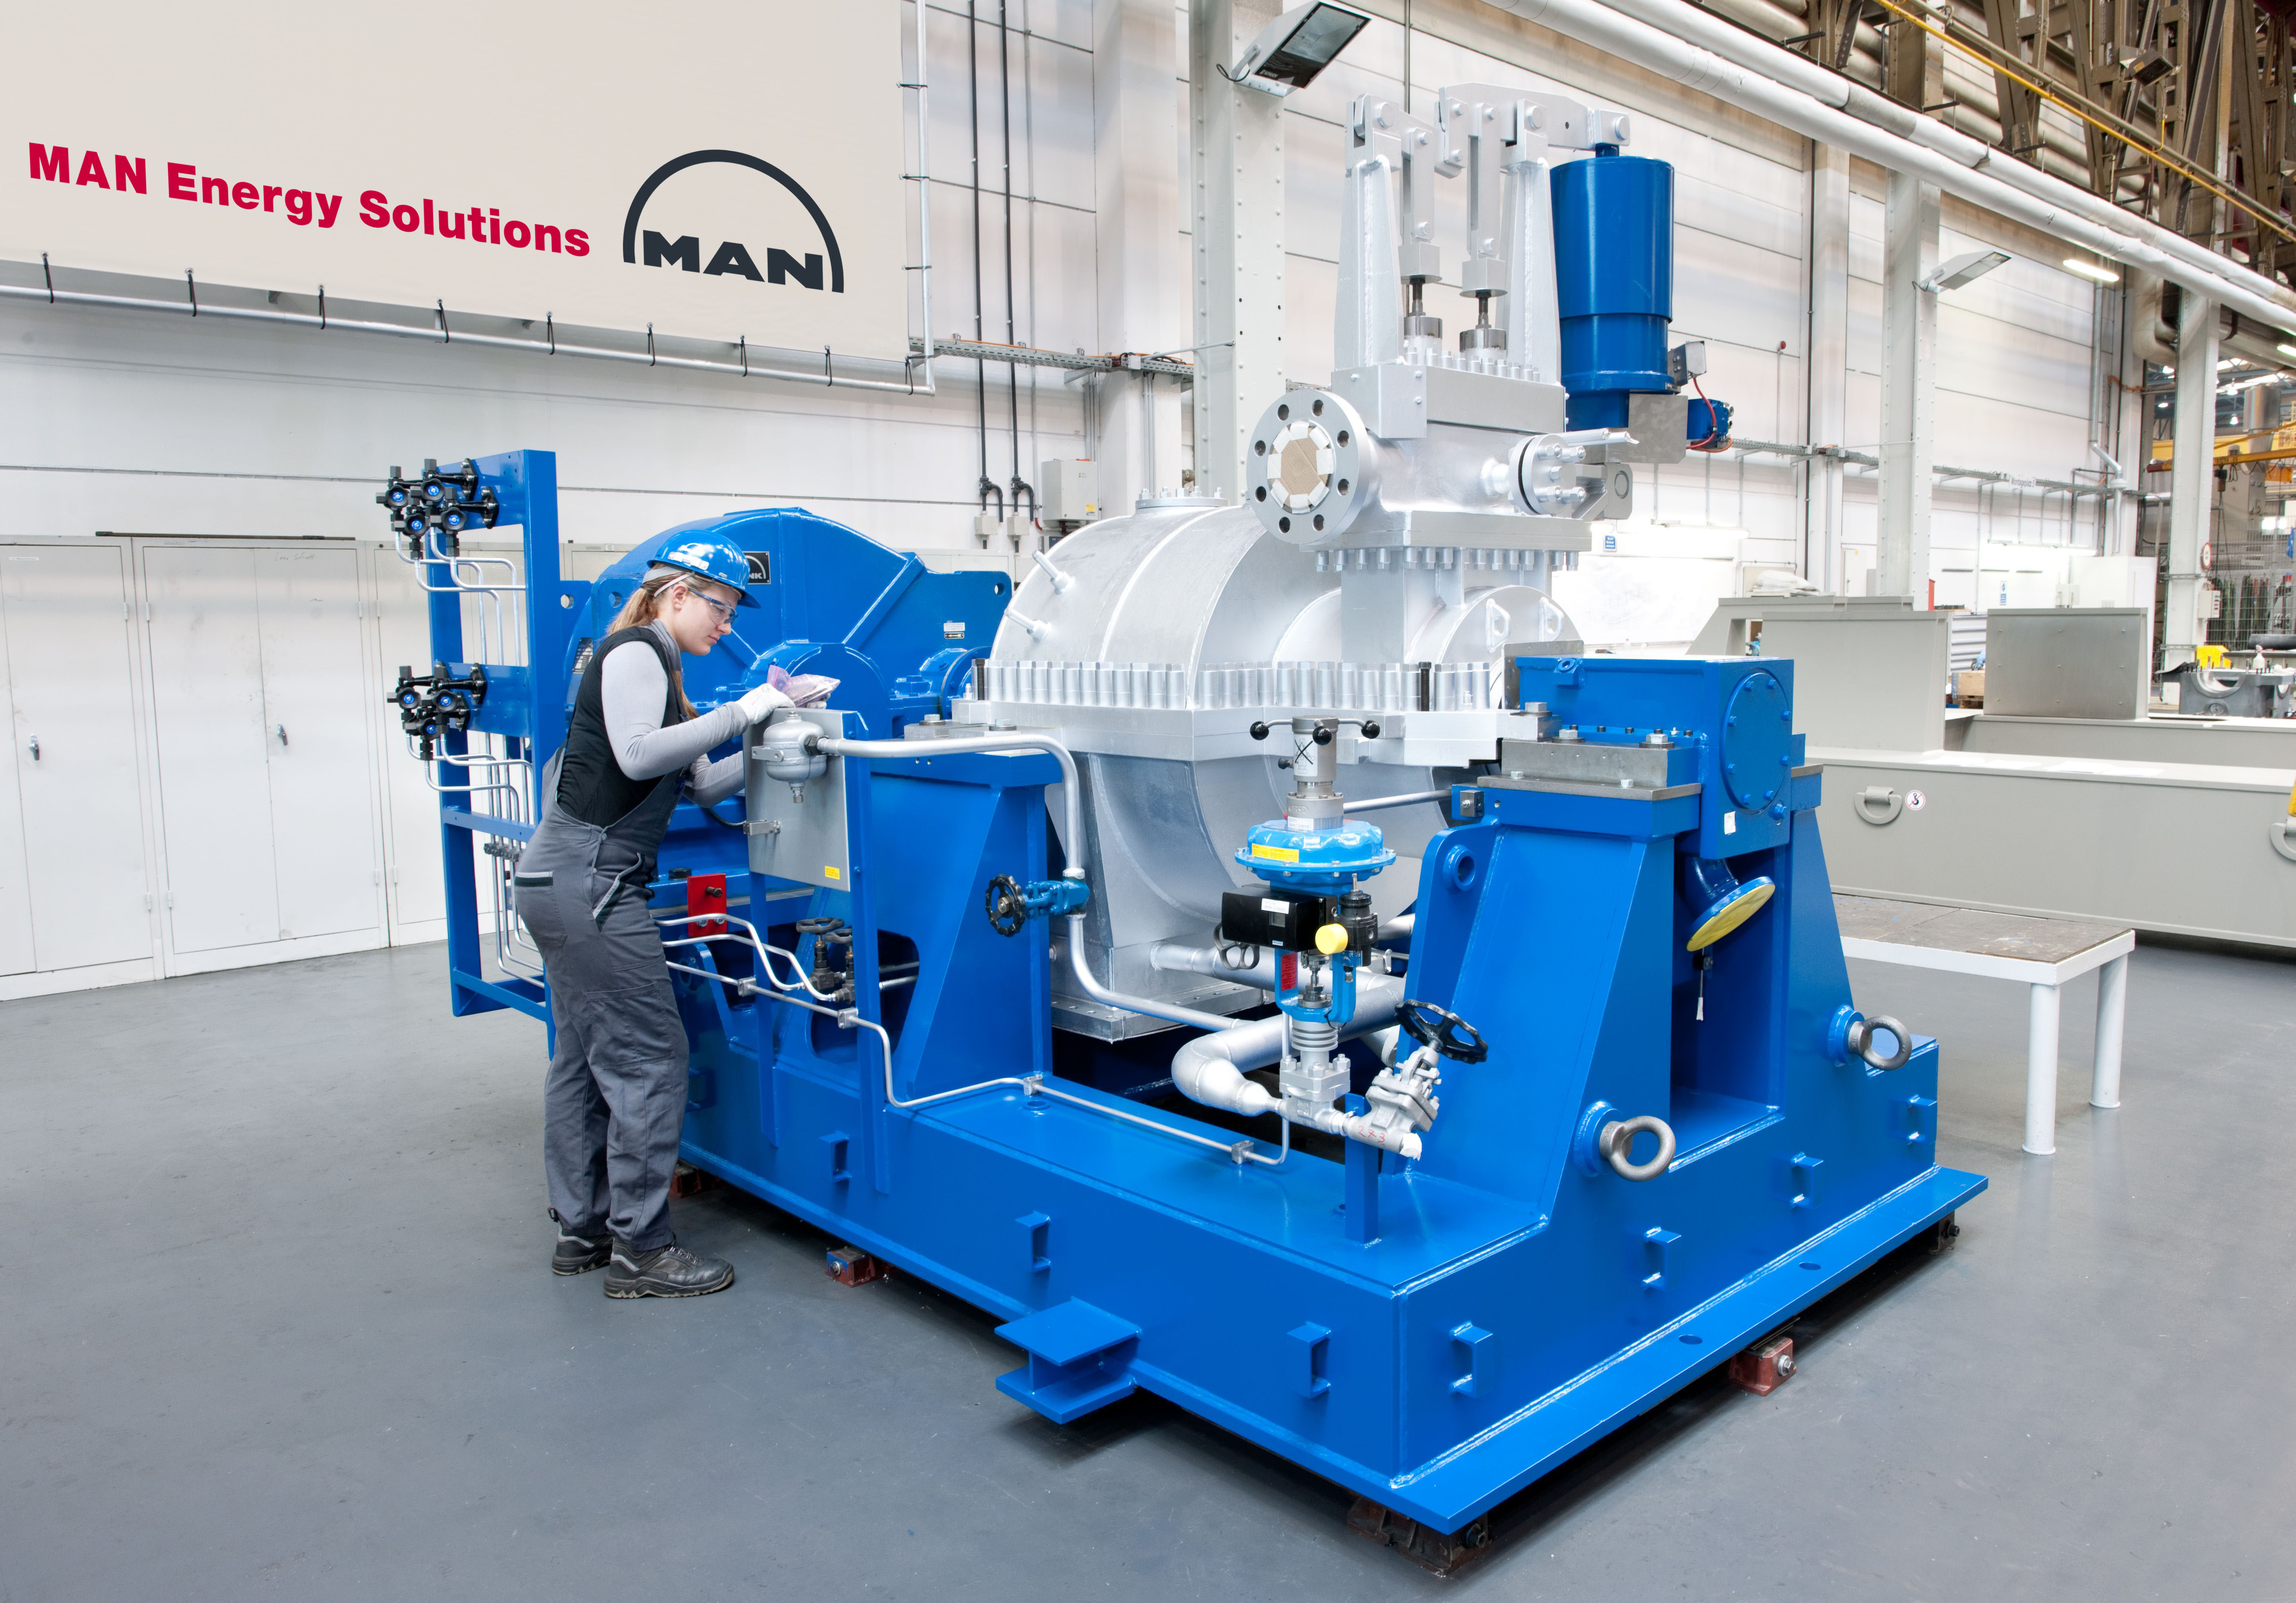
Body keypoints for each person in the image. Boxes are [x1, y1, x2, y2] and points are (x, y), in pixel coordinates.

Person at [512, 535, 789, 1298]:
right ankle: (642, 1249)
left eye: (732, 615)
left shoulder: (663, 673)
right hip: (591, 883)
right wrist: (742, 709)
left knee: (582, 1061)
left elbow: (701, 785)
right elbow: (638, 756)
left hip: (564, 879)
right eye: (720, 609)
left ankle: (583, 1230)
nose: (726, 627)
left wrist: (773, 731)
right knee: (649, 1058)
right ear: (676, 595)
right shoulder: (637, 649)